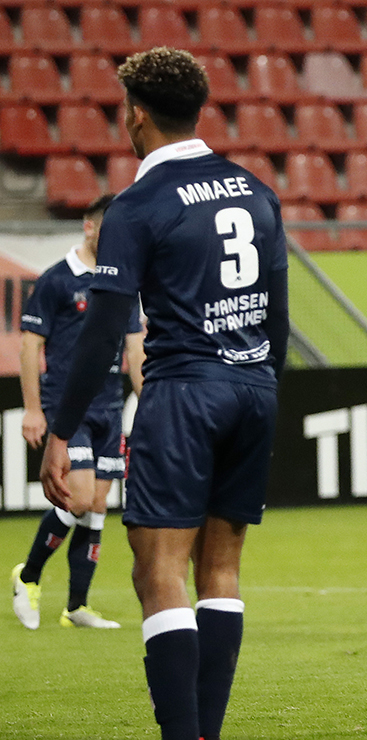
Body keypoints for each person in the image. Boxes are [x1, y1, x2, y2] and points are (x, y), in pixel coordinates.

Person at [38, 47, 289, 740]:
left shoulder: (138, 204)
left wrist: (59, 430)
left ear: (136, 116)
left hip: (183, 394)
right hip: (253, 388)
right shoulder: (255, 191)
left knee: (158, 572)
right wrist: (263, 397)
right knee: (222, 570)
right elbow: (279, 318)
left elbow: (103, 333)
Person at [12, 193, 145, 631]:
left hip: (109, 405)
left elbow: (135, 349)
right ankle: (28, 575)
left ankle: (76, 606)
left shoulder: (123, 283)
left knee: (98, 506)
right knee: (81, 496)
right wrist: (33, 409)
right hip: (68, 407)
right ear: (90, 228)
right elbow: (31, 345)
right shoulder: (56, 281)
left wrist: (148, 402)